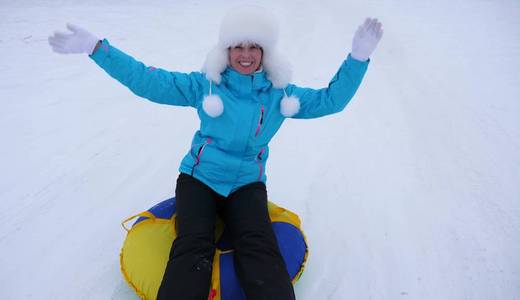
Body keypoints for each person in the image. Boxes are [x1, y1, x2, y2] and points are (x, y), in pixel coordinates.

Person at [48, 5, 382, 300]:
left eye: (254, 46)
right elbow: (148, 82)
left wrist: (358, 59)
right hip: (199, 179)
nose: (246, 54)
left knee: (259, 247)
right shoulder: (205, 85)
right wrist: (96, 48)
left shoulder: (280, 95)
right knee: (193, 246)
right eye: (238, 46)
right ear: (226, 50)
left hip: (247, 185)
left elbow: (331, 100)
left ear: (266, 52)